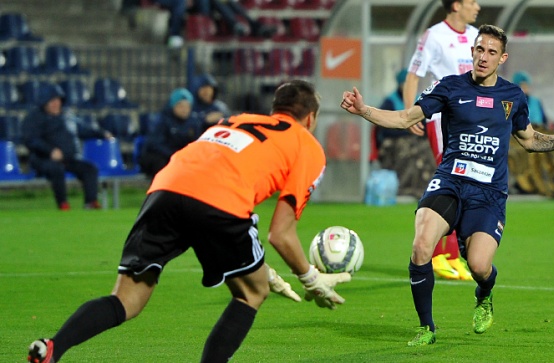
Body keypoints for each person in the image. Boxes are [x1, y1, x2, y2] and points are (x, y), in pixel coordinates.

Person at [27, 80, 351, 363]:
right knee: (251, 293)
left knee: (126, 300)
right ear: (310, 118)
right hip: (219, 201)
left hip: (164, 189)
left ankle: (53, 347)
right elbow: (280, 234)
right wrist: (310, 278)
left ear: (275, 108)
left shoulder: (234, 120)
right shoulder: (307, 144)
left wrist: (258, 265)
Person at [341, 24, 554, 346]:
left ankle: (484, 294)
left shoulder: (512, 96)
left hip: (488, 194)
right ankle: (426, 328)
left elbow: (530, 140)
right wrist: (364, 110)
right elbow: (406, 118)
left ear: (502, 57)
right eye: (479, 49)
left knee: (478, 265)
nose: (483, 57)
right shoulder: (449, 87)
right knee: (421, 246)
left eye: (491, 52)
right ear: (471, 51)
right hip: (450, 182)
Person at [402, 0, 481, 281]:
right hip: (442, 119)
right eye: (472, 1)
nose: (478, 6)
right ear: (456, 5)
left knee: (466, 183)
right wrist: (411, 111)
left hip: (470, 121)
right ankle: (437, 254)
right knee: (450, 182)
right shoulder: (434, 35)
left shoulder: (476, 36)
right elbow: (414, 75)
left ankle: (452, 254)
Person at [21, 83, 113, 211]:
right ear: (44, 102)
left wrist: (102, 133)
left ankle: (91, 202)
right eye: (52, 101)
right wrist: (50, 151)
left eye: (58, 100)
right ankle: (63, 204)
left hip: (68, 159)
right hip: (43, 159)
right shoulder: (34, 118)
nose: (56, 104)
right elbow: (30, 140)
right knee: (56, 169)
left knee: (90, 169)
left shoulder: (67, 116)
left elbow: (83, 129)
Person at [373, 68, 436, 198]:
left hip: (415, 139)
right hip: (394, 141)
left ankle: (425, 189)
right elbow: (384, 128)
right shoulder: (390, 101)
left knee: (428, 150)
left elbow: (425, 126)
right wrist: (407, 131)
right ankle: (403, 189)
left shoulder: (420, 100)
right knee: (407, 149)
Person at [137, 88, 203, 178]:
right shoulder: (162, 120)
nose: (184, 109)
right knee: (161, 163)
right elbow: (156, 144)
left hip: (180, 157)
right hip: (161, 156)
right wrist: (174, 155)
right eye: (180, 106)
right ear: (173, 106)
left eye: (187, 106)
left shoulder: (194, 122)